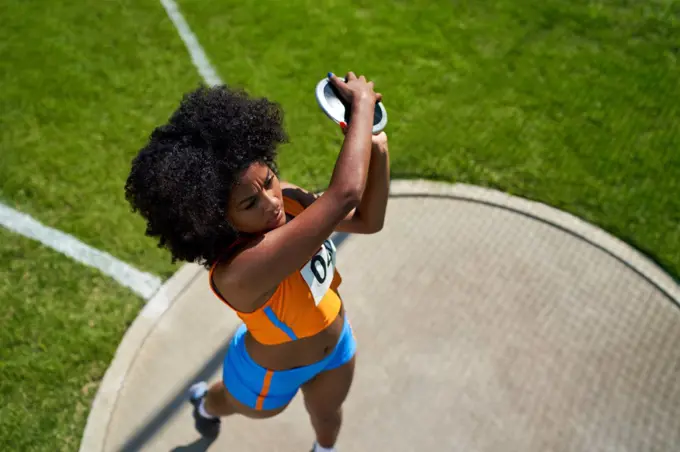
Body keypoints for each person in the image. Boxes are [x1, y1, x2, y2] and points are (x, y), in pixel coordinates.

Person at [124, 72, 390, 452]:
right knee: (229, 403)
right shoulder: (240, 271)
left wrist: (378, 150)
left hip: (337, 345)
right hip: (267, 375)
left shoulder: (293, 202)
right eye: (250, 204)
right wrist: (362, 108)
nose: (272, 203)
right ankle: (205, 403)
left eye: (269, 182)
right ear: (217, 218)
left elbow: (367, 220)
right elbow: (345, 194)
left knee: (328, 416)